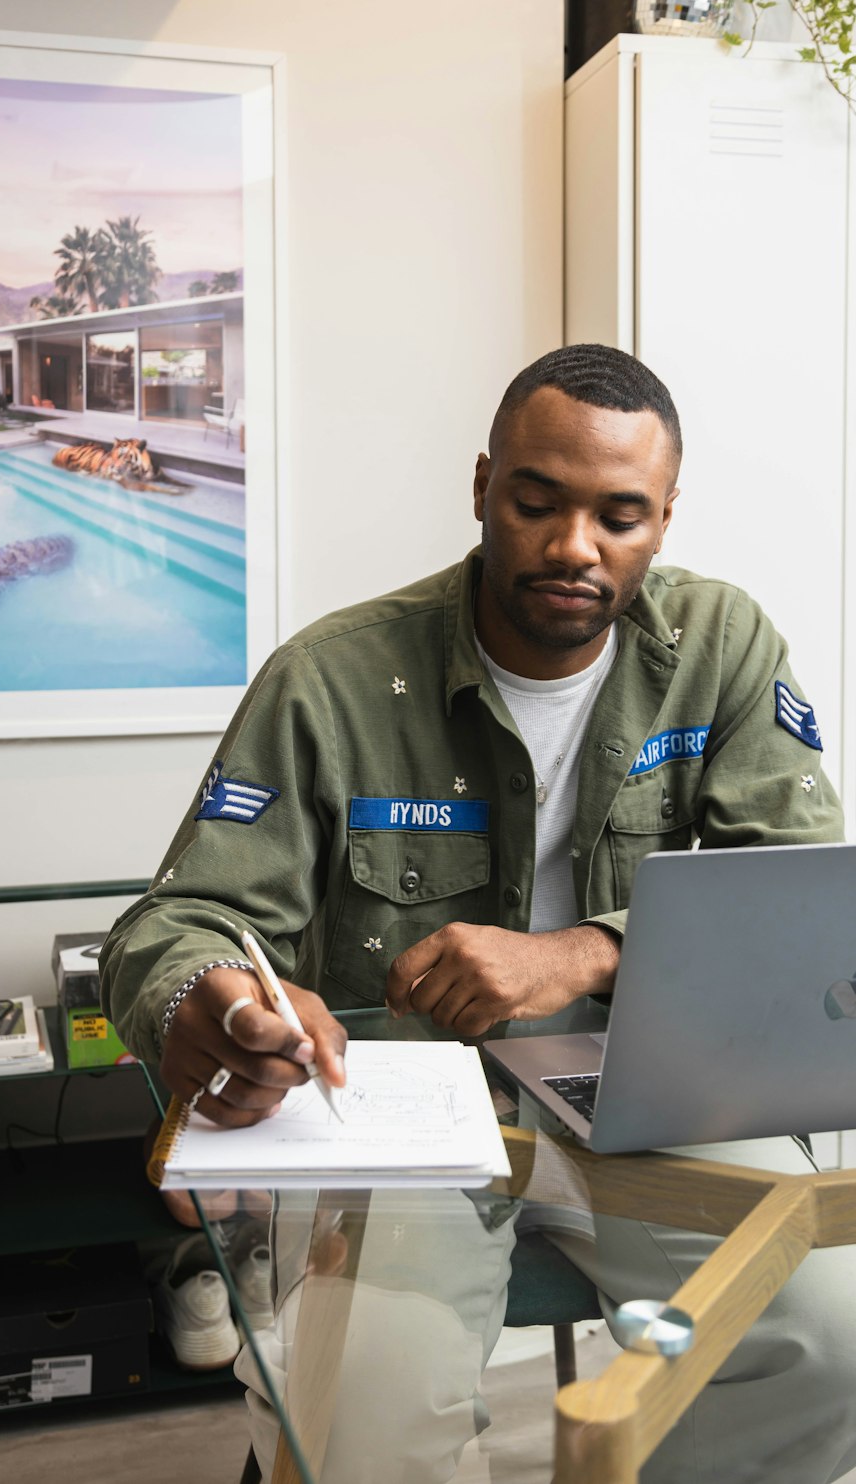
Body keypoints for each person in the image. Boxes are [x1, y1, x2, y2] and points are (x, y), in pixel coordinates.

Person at [100, 344, 856, 1483]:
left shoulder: (722, 646)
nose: (573, 547)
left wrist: (584, 950)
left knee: (831, 1342)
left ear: (664, 519)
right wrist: (208, 999)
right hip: (407, 1108)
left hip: (657, 1087)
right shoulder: (332, 680)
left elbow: (802, 897)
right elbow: (176, 922)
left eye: (619, 515)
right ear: (481, 488)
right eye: (536, 502)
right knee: (363, 1410)